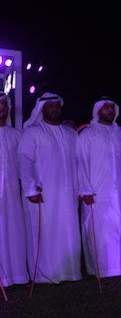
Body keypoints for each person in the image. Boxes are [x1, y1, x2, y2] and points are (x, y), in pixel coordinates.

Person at [19, 93, 82, 284]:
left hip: (68, 194)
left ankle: (70, 272)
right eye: (50, 106)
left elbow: (79, 163)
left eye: (57, 105)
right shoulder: (32, 132)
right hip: (43, 194)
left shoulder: (71, 133)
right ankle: (44, 275)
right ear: (42, 109)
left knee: (68, 231)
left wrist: (80, 189)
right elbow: (25, 162)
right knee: (45, 233)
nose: (55, 109)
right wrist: (31, 189)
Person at [77, 98, 121, 277]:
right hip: (97, 191)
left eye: (112, 107)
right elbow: (81, 162)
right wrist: (85, 189)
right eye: (106, 107)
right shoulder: (88, 133)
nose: (110, 110)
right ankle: (102, 268)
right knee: (101, 231)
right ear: (98, 110)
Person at [0, 93, 29, 286]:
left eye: (4, 103)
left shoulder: (17, 135)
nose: (1, 107)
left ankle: (15, 275)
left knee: (13, 232)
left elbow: (23, 166)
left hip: (12, 195)